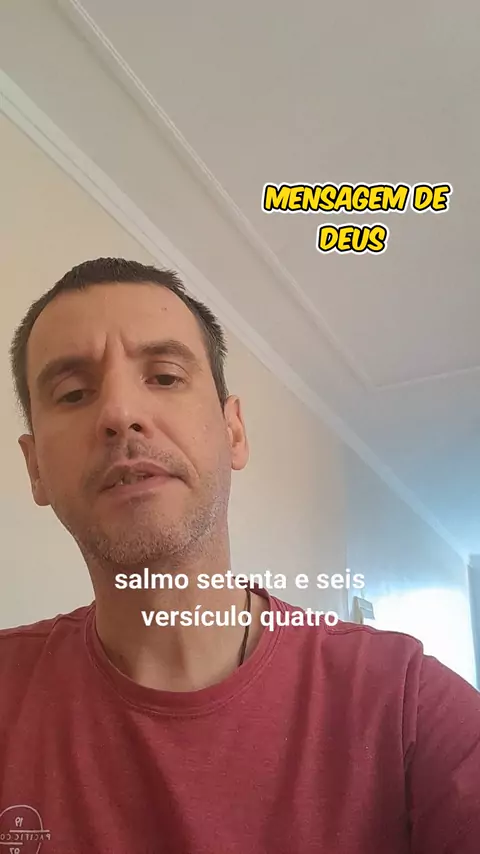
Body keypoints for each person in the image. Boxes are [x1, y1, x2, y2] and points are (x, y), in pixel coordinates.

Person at [1, 257, 479, 854]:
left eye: (165, 377)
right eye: (73, 393)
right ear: (35, 468)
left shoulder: (410, 706)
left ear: (233, 432)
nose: (120, 414)